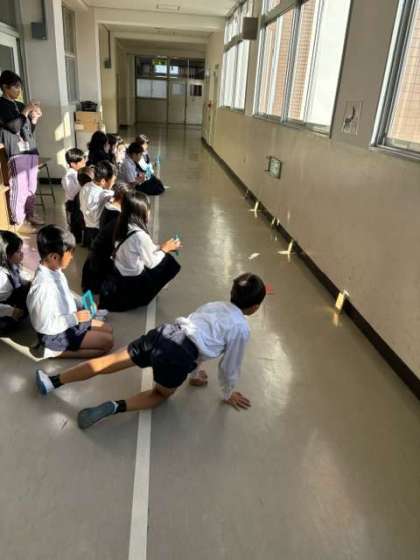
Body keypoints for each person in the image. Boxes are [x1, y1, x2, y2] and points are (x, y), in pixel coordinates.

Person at [35, 273, 266, 430]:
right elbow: (228, 365)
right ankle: (114, 407)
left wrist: (195, 374)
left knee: (108, 361)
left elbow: (196, 331)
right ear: (255, 307)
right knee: (159, 395)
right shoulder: (241, 329)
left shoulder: (215, 305)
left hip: (165, 333)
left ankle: (53, 381)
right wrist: (227, 393)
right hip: (179, 356)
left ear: (232, 292)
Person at [26, 225, 113, 359]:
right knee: (107, 343)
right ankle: (50, 351)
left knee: (108, 330)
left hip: (68, 320)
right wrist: (75, 318)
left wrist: (80, 304)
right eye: (69, 253)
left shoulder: (55, 270)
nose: (72, 257)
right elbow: (44, 325)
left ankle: (63, 345)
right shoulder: (42, 288)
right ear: (54, 257)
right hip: (55, 333)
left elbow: (65, 296)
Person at [100, 190, 181, 312]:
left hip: (120, 274)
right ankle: (145, 295)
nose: (149, 212)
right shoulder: (140, 235)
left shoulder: (122, 224)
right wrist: (165, 249)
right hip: (133, 282)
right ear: (141, 212)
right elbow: (152, 262)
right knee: (169, 262)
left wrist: (162, 247)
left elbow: (144, 250)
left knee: (161, 255)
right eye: (148, 209)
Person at [0, 70, 44, 232]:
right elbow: (14, 127)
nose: (19, 90)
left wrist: (34, 119)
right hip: (16, 153)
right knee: (20, 188)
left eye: (20, 87)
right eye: (16, 87)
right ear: (5, 87)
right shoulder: (1, 105)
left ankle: (29, 214)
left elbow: (28, 130)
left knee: (32, 186)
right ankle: (19, 221)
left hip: (30, 150)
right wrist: (26, 111)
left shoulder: (18, 105)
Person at [81, 182, 128, 297]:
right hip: (103, 262)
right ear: (123, 197)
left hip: (95, 258)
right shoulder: (116, 216)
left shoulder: (108, 205)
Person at [79, 160, 116, 247]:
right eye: (113, 180)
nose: (114, 183)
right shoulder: (105, 194)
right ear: (103, 181)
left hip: (87, 225)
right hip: (99, 228)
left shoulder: (85, 186)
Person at [0, 230, 30, 335]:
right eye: (18, 252)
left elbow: (19, 277)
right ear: (6, 255)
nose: (22, 254)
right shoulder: (2, 278)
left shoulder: (10, 264)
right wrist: (11, 311)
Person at [62, 148, 86, 243]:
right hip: (72, 204)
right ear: (73, 164)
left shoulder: (77, 173)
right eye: (81, 161)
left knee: (79, 222)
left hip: (77, 202)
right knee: (75, 223)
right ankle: (76, 240)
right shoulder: (69, 177)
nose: (84, 163)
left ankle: (79, 237)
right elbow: (72, 193)